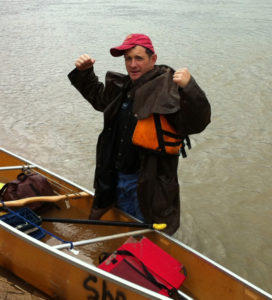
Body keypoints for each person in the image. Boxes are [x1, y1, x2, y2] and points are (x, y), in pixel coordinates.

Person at [68, 33, 211, 235]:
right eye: (128, 59)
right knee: (122, 226)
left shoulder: (169, 90)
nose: (132, 64)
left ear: (153, 59)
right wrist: (85, 73)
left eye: (139, 58)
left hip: (146, 182)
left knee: (142, 231)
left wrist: (190, 88)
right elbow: (100, 99)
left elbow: (197, 122)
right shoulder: (124, 86)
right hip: (114, 174)